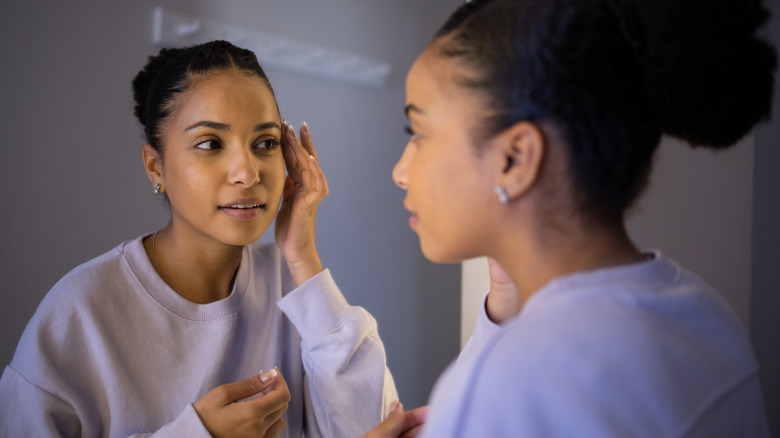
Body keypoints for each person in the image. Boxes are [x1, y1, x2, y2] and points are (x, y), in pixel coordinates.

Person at [366, 0, 777, 436]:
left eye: (419, 133)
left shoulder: (513, 386)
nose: (400, 172)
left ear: (516, 158)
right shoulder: (705, 315)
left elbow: (514, 390)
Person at [0, 40, 397, 437]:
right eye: (210, 143)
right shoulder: (78, 313)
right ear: (156, 168)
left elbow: (376, 428)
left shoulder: (294, 287)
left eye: (266, 143)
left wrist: (303, 258)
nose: (248, 173)